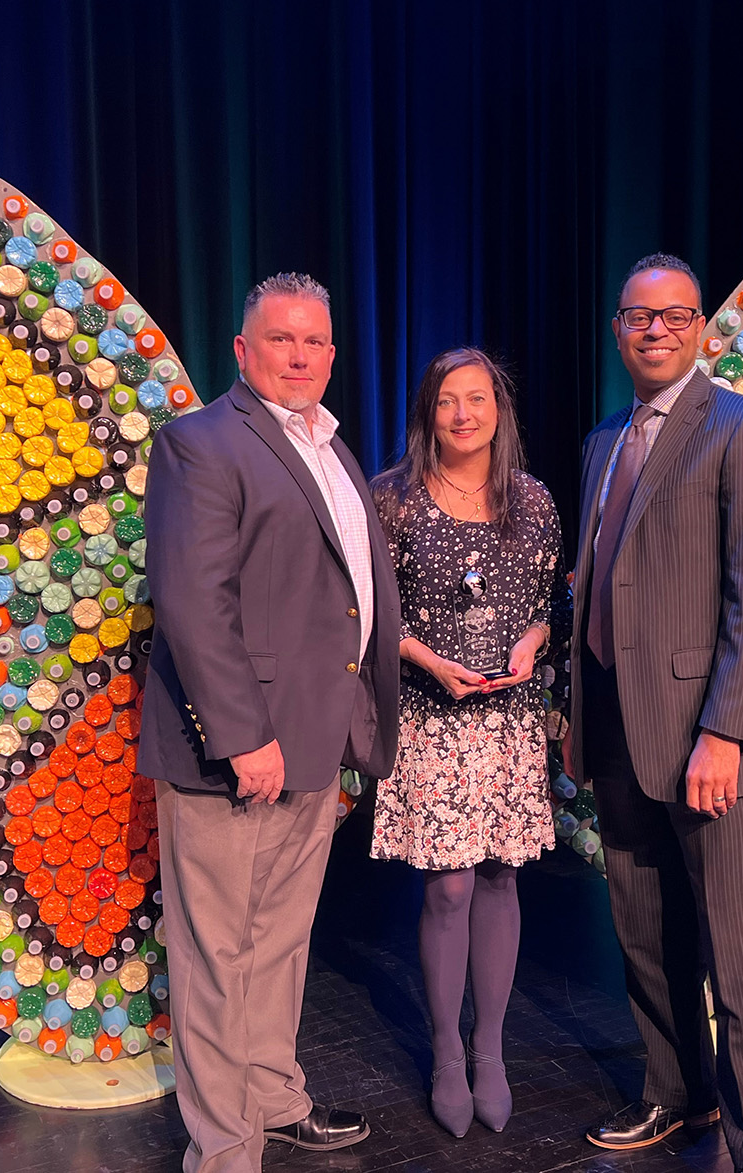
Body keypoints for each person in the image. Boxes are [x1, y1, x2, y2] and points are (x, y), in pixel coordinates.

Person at [141, 272, 401, 1173]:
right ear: (243, 349)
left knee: (282, 943)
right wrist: (243, 733)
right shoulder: (201, 442)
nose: (299, 354)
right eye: (280, 339)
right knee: (219, 955)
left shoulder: (331, 448)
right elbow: (190, 599)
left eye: (314, 341)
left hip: (316, 743)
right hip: (238, 750)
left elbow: (345, 600)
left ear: (332, 354)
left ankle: (274, 1100)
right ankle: (224, 1150)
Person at [568, 254, 743, 1173]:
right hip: (620, 734)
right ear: (618, 330)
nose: (655, 329)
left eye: (674, 315)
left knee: (739, 959)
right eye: (638, 317)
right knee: (646, 936)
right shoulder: (602, 441)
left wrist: (725, 733)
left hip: (710, 743)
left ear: (700, 326)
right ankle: (680, 1098)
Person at [369, 347, 563, 1138]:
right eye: (448, 400)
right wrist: (426, 660)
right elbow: (373, 614)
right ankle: (447, 1049)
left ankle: (492, 1049)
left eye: (476, 399)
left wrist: (534, 642)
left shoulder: (534, 500)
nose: (462, 414)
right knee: (447, 886)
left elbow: (554, 601)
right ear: (429, 410)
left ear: (499, 409)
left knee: (499, 879)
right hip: (432, 717)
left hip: (509, 721)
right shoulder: (394, 500)